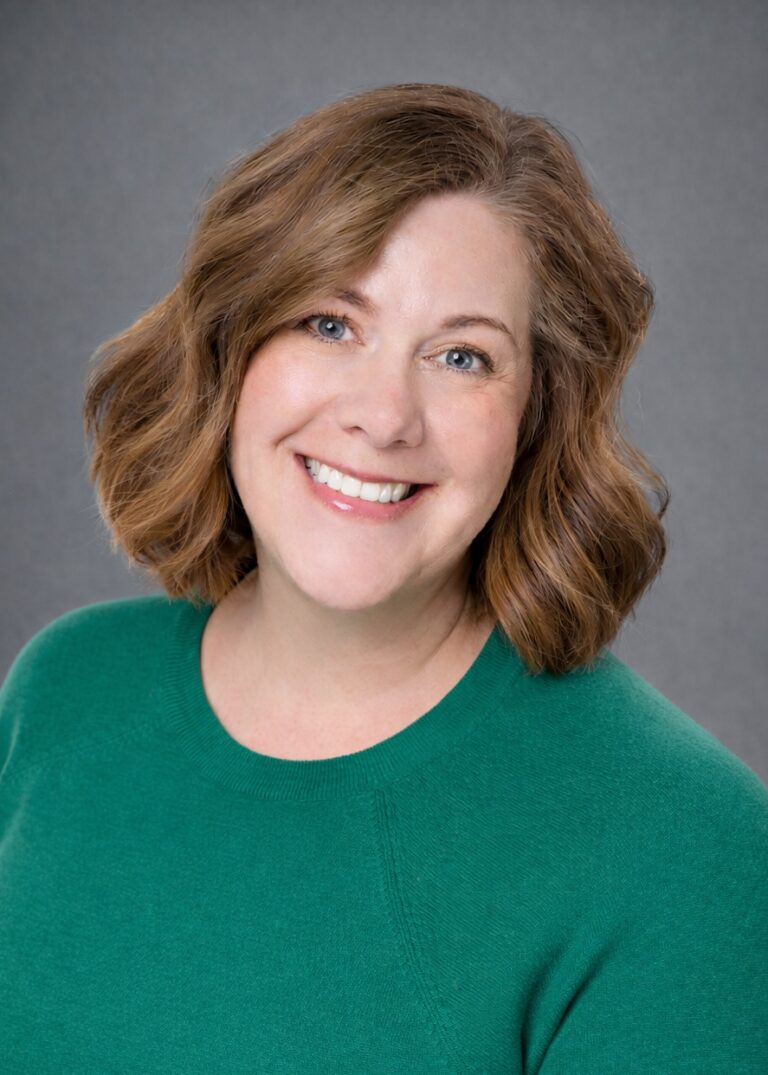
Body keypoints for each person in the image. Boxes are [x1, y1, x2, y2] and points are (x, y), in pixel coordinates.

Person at [1, 82, 766, 1073]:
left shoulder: (685, 850)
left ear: (538, 415)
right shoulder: (63, 693)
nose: (384, 415)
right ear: (232, 344)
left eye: (461, 356)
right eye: (329, 323)